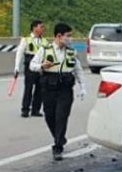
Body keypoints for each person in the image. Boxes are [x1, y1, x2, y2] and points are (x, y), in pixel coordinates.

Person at [30, 23, 86, 160]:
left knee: (61, 116)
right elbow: (32, 65)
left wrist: (83, 86)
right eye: (68, 36)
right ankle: (60, 138)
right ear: (59, 36)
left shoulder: (72, 52)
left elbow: (78, 69)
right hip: (49, 87)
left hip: (65, 89)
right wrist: (41, 66)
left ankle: (57, 147)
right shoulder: (45, 50)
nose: (70, 39)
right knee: (50, 116)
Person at [14, 20, 48, 117]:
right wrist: (16, 66)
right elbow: (19, 53)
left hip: (41, 66)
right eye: (41, 27)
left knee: (40, 89)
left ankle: (35, 110)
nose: (43, 29)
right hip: (29, 65)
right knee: (28, 88)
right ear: (34, 28)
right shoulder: (26, 39)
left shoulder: (44, 41)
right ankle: (25, 109)